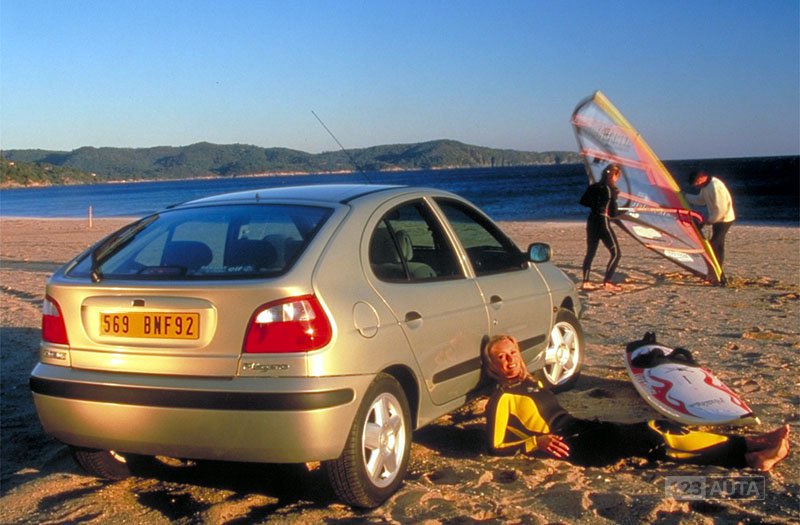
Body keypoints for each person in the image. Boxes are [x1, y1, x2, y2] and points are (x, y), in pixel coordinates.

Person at [482, 334, 790, 471]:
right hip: (575, 446)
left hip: (585, 429)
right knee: (653, 435)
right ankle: (749, 452)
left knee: (659, 430)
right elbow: (495, 446)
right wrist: (536, 442)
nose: (509, 360)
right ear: (492, 366)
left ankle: (752, 448)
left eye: (512, 353)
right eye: (501, 357)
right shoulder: (502, 399)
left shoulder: (534, 382)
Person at [579, 164, 622, 292]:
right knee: (616, 253)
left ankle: (585, 282)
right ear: (614, 175)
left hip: (592, 221)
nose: (618, 179)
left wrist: (597, 204)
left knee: (591, 252)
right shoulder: (610, 190)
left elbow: (583, 201)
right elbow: (613, 213)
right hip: (603, 222)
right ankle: (607, 281)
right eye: (617, 176)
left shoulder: (594, 187)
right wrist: (624, 212)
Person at [685, 171, 735, 281]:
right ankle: (718, 272)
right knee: (717, 245)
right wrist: (684, 196)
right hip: (717, 219)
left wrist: (709, 220)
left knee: (714, 244)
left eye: (697, 182)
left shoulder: (716, 187)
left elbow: (721, 209)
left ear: (702, 177)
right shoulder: (705, 186)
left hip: (724, 219)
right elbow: (701, 200)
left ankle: (718, 273)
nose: (696, 185)